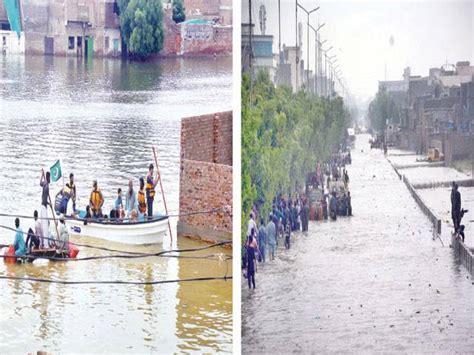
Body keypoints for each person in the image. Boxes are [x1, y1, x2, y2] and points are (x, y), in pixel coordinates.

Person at [39, 169, 51, 249]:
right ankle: (46, 246)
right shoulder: (47, 187)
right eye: (50, 178)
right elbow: (44, 200)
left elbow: (40, 183)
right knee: (45, 227)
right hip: (44, 206)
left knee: (44, 225)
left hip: (42, 206)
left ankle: (42, 244)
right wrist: (48, 203)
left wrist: (41, 175)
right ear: (48, 177)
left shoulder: (45, 183)